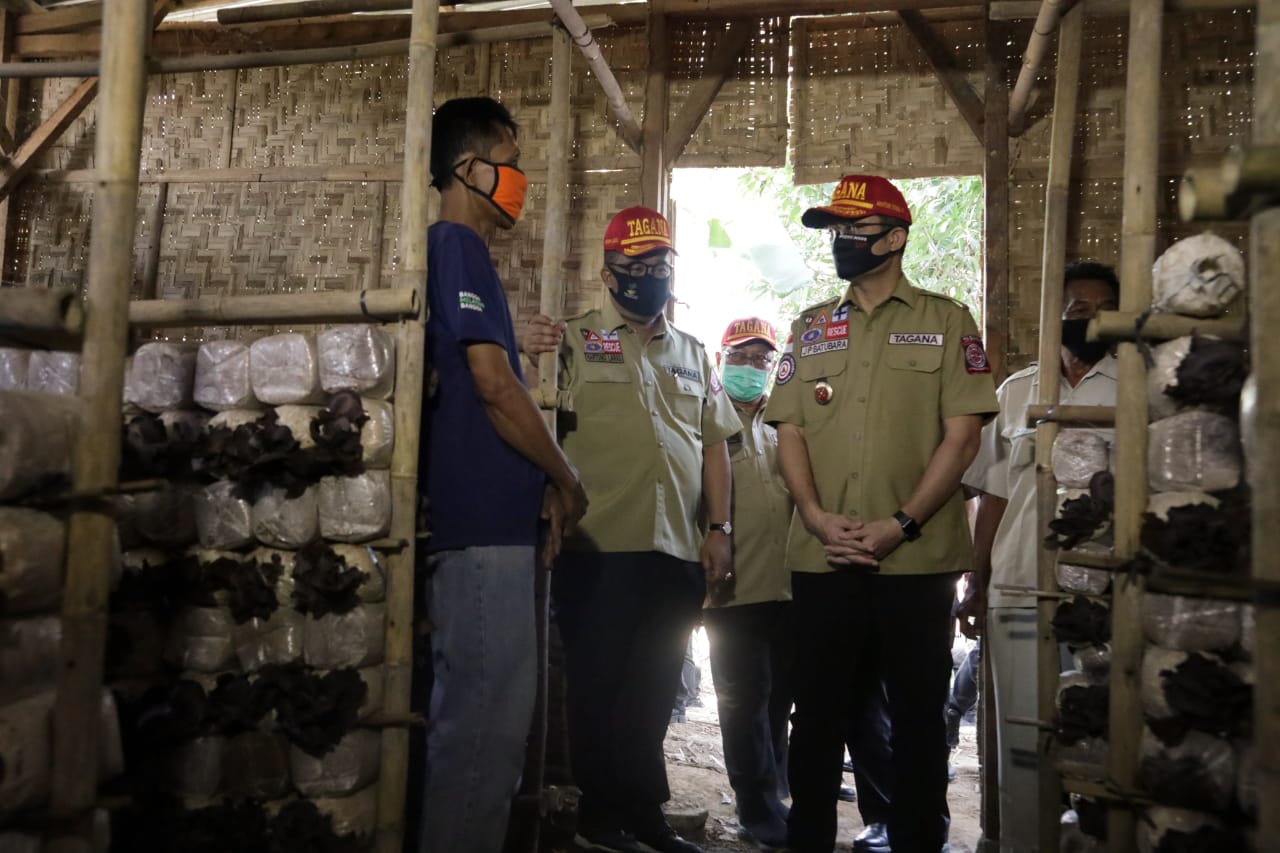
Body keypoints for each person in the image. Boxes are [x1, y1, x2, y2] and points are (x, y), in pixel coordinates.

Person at [765, 174, 999, 853]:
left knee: (919, 716)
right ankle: (806, 839)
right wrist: (813, 515)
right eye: (834, 231)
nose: (841, 242)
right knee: (816, 718)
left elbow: (963, 435)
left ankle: (916, 839)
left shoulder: (946, 320)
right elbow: (790, 431)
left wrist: (902, 522)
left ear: (895, 237)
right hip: (823, 555)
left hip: (917, 560)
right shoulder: (810, 327)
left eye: (855, 230)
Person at [417, 96, 588, 853]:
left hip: (495, 530)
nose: (519, 179)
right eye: (509, 162)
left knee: (488, 729)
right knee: (482, 734)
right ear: (468, 168)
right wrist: (566, 474)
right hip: (479, 531)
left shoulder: (469, 262)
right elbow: (493, 387)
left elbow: (479, 362)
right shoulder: (455, 244)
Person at [551, 205, 742, 853]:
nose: (651, 276)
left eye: (661, 265)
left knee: (654, 690)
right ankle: (599, 821)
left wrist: (720, 527)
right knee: (597, 689)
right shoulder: (571, 341)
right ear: (609, 274)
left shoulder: (693, 352)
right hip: (598, 548)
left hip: (677, 551)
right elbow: (545, 428)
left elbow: (715, 445)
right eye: (636, 267)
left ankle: (645, 814)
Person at [956, 261, 1120, 853]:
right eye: (1075, 308)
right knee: (1024, 733)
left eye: (1101, 309)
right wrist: (977, 581)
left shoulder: (1135, 387)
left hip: (1103, 591)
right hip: (1020, 584)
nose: (1086, 318)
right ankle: (1023, 840)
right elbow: (994, 493)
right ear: (1054, 316)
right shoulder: (1017, 391)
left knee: (1101, 727)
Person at [702, 316, 793, 851]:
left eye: (762, 359)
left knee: (780, 697)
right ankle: (755, 810)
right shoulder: (705, 420)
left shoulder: (788, 420)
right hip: (731, 590)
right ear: (721, 361)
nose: (751, 367)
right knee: (742, 700)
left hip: (790, 587)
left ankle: (775, 792)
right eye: (741, 357)